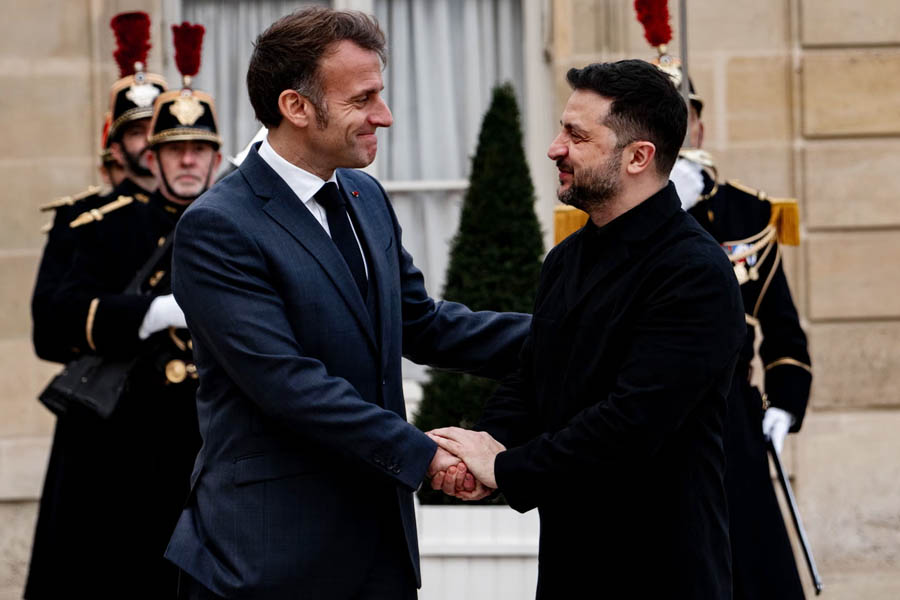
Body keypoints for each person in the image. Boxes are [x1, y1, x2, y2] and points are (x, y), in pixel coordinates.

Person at [163, 7, 529, 600]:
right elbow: (287, 383)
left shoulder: (363, 195)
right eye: (363, 99)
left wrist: (577, 333)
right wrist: (426, 457)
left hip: (377, 549)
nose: (383, 116)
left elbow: (421, 323)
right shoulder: (218, 226)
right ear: (297, 107)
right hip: (265, 558)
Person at [429, 59, 746, 599]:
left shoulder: (694, 272)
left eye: (576, 135)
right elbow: (534, 377)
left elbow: (631, 424)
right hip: (570, 567)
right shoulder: (566, 259)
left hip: (661, 571)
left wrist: (505, 470)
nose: (555, 147)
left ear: (638, 157)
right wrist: (485, 444)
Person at [23, 20, 219, 599]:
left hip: (205, 438)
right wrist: (150, 314)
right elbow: (50, 326)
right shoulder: (94, 225)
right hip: (117, 443)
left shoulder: (233, 222)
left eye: (198, 149)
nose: (183, 161)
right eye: (164, 145)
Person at [669, 80, 812, 600]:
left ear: (700, 124)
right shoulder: (604, 212)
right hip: (645, 417)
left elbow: (782, 326)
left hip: (730, 416)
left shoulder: (746, 213)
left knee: (751, 567)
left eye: (683, 115)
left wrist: (784, 404)